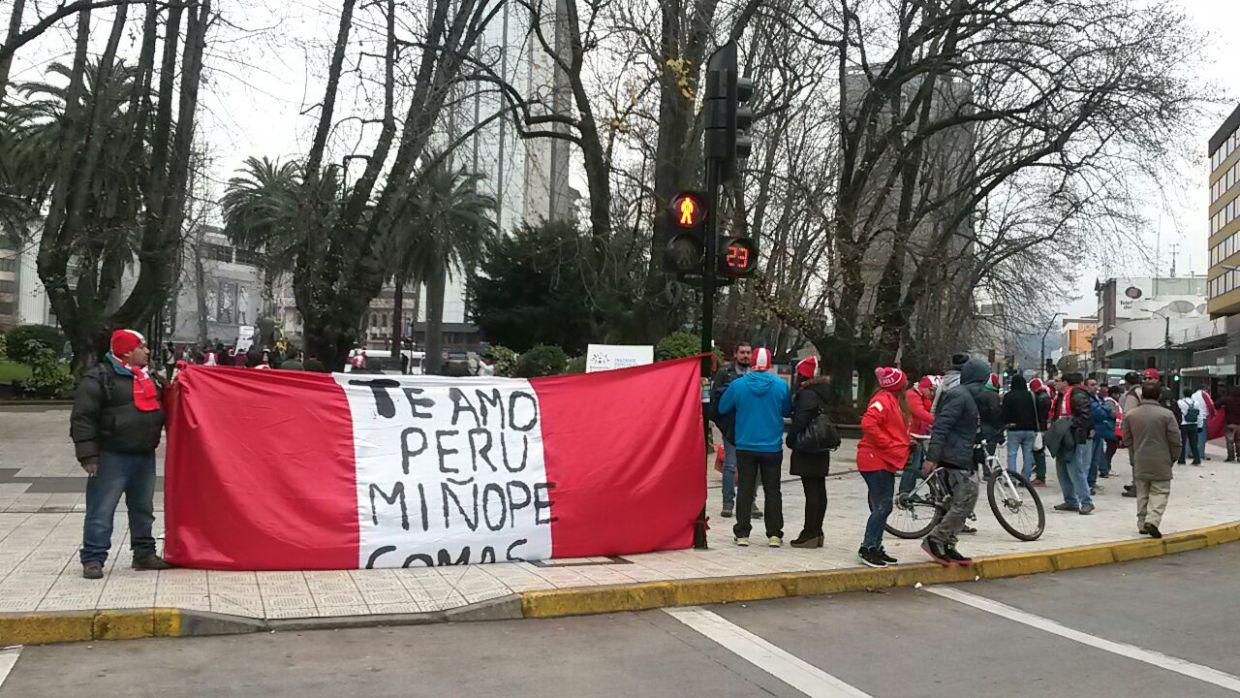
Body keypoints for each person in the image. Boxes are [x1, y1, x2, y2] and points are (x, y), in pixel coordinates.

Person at [70, 329, 173, 579]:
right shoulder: (99, 378)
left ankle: (144, 553)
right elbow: (83, 418)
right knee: (102, 509)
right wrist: (88, 456)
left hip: (143, 454)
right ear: (127, 352)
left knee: (143, 508)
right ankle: (94, 558)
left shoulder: (150, 378)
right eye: (141, 347)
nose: (146, 351)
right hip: (110, 455)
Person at [716, 347, 791, 548]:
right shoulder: (780, 386)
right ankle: (774, 534)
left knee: (745, 489)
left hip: (745, 445)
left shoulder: (738, 385)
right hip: (772, 447)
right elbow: (787, 410)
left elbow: (723, 407)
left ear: (752, 363)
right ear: (769, 364)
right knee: (773, 491)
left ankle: (742, 533)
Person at [923, 356, 989, 565]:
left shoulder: (968, 396)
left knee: (964, 501)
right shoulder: (959, 396)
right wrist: (932, 456)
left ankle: (948, 542)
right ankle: (936, 539)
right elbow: (941, 426)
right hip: (953, 456)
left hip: (963, 454)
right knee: (965, 500)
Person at [856, 367, 911, 568]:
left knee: (884, 505)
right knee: (883, 505)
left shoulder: (890, 401)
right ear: (898, 386)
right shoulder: (883, 401)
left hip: (882, 459)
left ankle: (875, 547)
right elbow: (869, 424)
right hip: (874, 458)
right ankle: (867, 547)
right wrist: (887, 443)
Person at [1123, 384, 1181, 539]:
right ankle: (1152, 520)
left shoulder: (1131, 415)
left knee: (1142, 492)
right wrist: (1173, 457)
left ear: (1142, 397)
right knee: (1160, 491)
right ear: (1159, 397)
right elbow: (1175, 440)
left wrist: (1134, 452)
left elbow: (1127, 439)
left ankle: (1142, 523)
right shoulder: (1167, 415)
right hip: (1162, 459)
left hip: (1140, 459)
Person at [786, 357, 833, 548]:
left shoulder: (807, 394)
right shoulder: (823, 392)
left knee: (811, 491)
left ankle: (809, 532)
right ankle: (818, 531)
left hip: (808, 447)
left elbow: (801, 420)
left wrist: (790, 439)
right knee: (819, 489)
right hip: (821, 446)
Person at [711, 342, 760, 519]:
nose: (745, 356)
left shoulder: (757, 374)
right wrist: (723, 424)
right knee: (730, 465)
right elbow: (716, 400)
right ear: (735, 354)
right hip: (732, 427)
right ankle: (728, 502)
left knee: (753, 467)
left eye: (748, 352)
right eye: (742, 352)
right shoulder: (725, 373)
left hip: (752, 427)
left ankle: (750, 501)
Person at [1052, 372, 1095, 515]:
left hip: (1072, 435)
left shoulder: (1076, 395)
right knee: (1062, 468)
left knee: (1075, 468)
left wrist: (1069, 424)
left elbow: (1085, 416)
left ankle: (1086, 501)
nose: (1054, 383)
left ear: (1065, 383)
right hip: (1061, 435)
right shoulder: (1061, 396)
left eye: (1057, 381)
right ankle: (1070, 500)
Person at [899, 375, 936, 496]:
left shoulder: (921, 396)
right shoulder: (913, 395)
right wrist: (937, 422)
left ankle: (909, 490)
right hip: (911, 435)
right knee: (913, 464)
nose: (932, 393)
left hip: (918, 433)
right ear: (924, 388)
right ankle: (906, 491)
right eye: (931, 390)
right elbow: (920, 413)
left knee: (916, 463)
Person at [1001, 375, 1039, 479]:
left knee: (1012, 454)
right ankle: (1025, 478)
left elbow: (1004, 413)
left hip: (1014, 428)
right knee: (1027, 455)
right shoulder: (1030, 395)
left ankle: (1012, 478)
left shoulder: (1009, 396)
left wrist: (1004, 424)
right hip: (1030, 428)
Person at [1026, 378, 1053, 485]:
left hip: (1039, 428)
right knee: (1039, 451)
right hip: (1043, 427)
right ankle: (1040, 476)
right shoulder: (1046, 396)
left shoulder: (1039, 398)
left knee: (1038, 451)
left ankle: (1041, 477)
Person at [977, 373, 1004, 455]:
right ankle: (988, 467)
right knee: (990, 454)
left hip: (979, 427)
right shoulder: (993, 396)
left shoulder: (979, 393)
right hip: (991, 428)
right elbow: (995, 413)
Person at [1176, 392, 1203, 465]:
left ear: (1184, 394)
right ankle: (1197, 460)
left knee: (1182, 443)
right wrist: (1200, 426)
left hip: (1184, 425)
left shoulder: (1180, 402)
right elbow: (1199, 415)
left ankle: (1182, 459)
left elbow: (1177, 412)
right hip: (1194, 425)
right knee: (1194, 443)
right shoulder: (1196, 403)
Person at [1103, 385, 1124, 476]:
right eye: (1117, 394)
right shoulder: (1109, 402)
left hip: (1112, 428)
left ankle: (1105, 466)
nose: (1119, 396)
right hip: (1110, 428)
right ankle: (1106, 467)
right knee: (1111, 448)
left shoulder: (1113, 402)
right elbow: (1112, 414)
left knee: (1111, 448)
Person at [1191, 386, 1215, 461]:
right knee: (1201, 437)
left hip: (1194, 418)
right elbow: (1211, 405)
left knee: (1193, 436)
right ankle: (1200, 454)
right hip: (1203, 418)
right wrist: (1212, 414)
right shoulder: (1204, 394)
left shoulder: (1193, 395)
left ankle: (1190, 453)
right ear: (1205, 389)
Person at [1222, 386, 1240, 462]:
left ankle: (1231, 457)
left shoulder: (1228, 399)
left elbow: (1216, 404)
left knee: (1230, 441)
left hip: (1230, 423)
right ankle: (1239, 457)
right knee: (1239, 441)